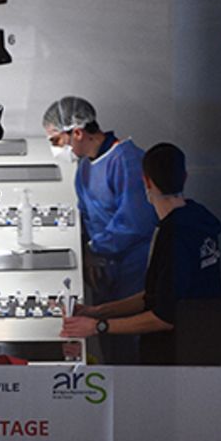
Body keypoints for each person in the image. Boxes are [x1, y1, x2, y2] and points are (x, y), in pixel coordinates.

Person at [61, 142, 221, 366]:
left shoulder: (175, 236)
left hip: (185, 358)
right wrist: (96, 311)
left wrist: (98, 327)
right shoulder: (197, 220)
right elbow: (156, 295)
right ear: (185, 177)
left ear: (146, 181)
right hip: (209, 347)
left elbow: (163, 317)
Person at [43, 96, 157, 364]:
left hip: (132, 269)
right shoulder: (85, 166)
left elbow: (134, 221)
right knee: (110, 342)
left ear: (78, 132)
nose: (56, 148)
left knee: (132, 343)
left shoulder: (128, 161)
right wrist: (87, 252)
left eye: (56, 140)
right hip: (104, 270)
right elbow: (87, 213)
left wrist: (94, 250)